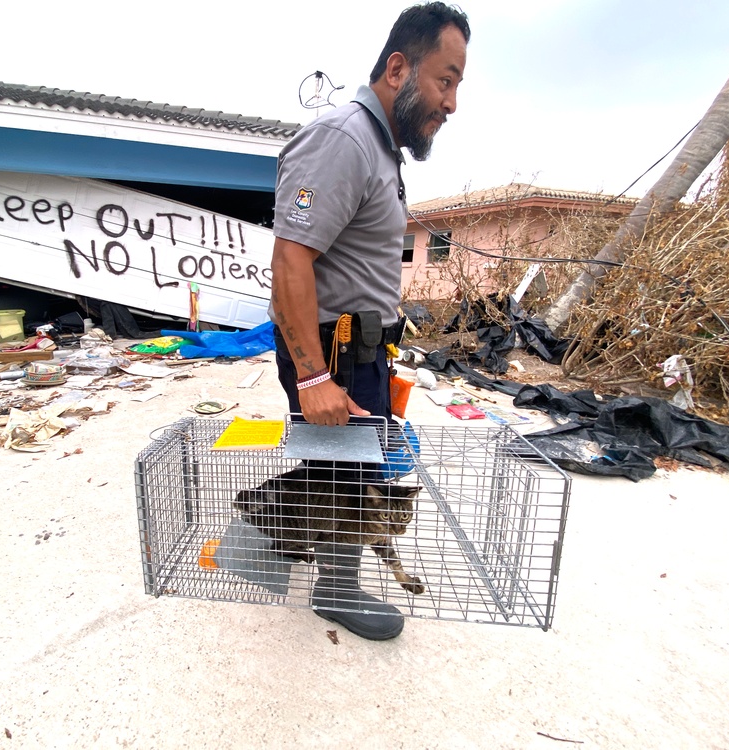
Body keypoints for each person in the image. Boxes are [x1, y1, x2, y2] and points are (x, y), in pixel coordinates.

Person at [269, 2, 470, 640]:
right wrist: (311, 378)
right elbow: (290, 260)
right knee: (344, 475)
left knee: (342, 467)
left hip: (361, 353)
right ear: (398, 68)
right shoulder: (343, 139)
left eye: (458, 84)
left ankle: (268, 542)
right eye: (446, 79)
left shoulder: (381, 151)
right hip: (333, 356)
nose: (452, 102)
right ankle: (335, 588)